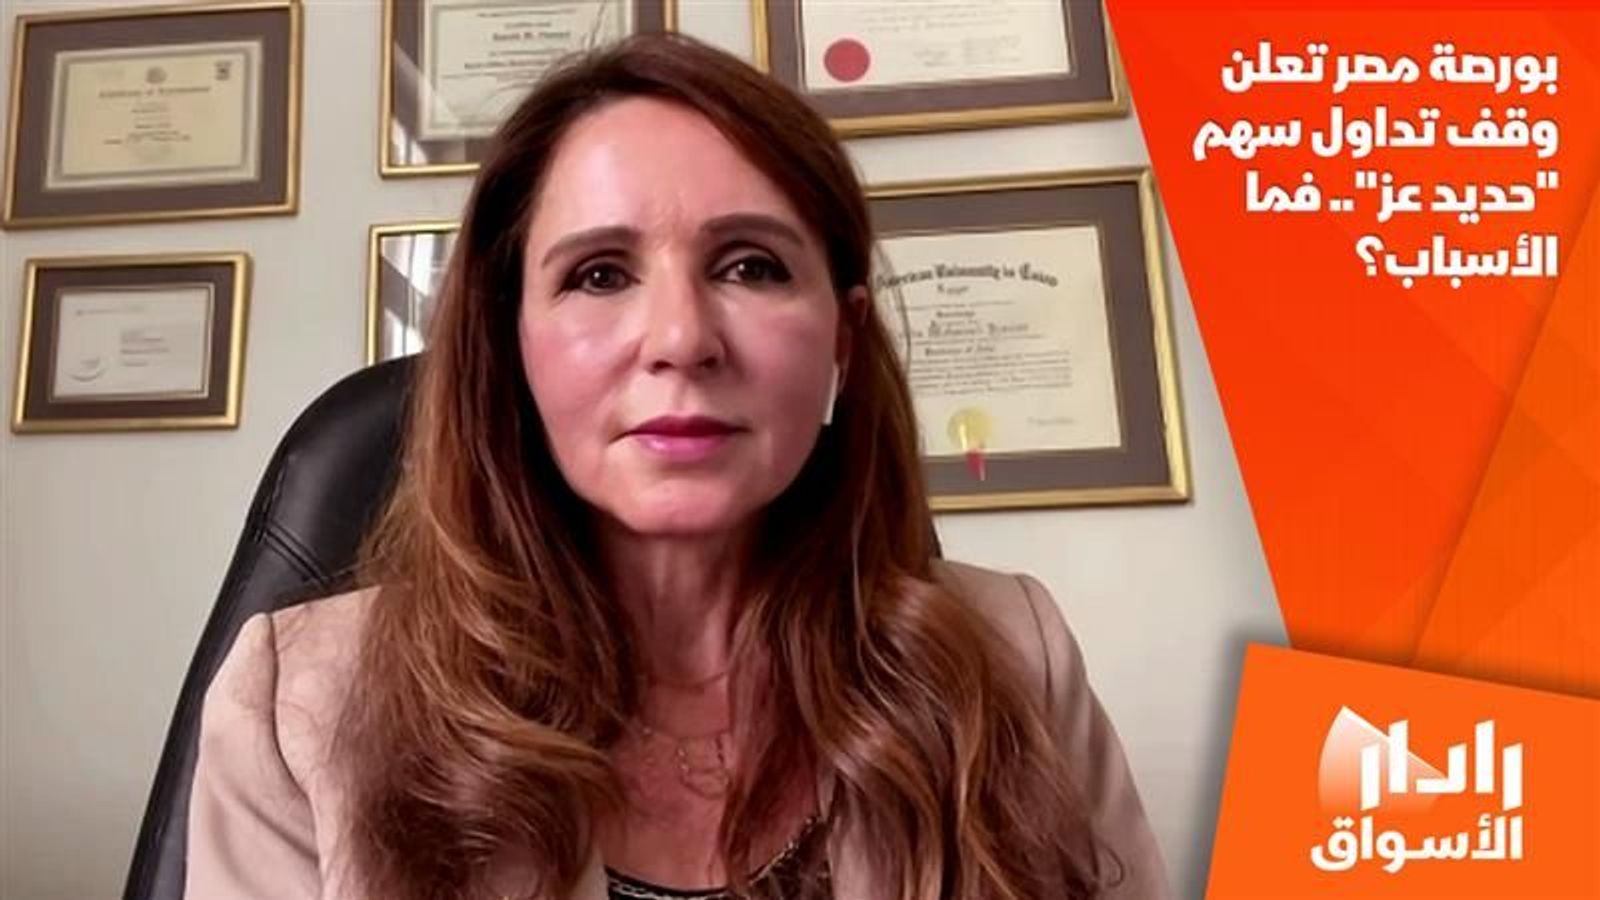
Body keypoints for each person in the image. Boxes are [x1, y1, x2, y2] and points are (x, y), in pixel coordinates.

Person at [185, 32, 1170, 900]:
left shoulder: (1017, 658)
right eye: (599, 274)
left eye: (750, 265)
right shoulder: (297, 709)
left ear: (841, 339)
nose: (680, 339)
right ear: (510, 343)